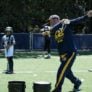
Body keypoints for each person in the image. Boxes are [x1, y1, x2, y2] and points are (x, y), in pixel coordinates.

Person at [48, 10, 92, 92]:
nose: (52, 21)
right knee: (67, 72)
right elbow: (47, 30)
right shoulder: (53, 30)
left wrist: (86, 16)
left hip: (70, 53)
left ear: (57, 19)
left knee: (61, 71)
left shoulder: (65, 24)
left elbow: (76, 20)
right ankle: (77, 82)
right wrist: (45, 31)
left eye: (54, 19)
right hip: (62, 55)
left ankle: (57, 89)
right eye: (51, 20)